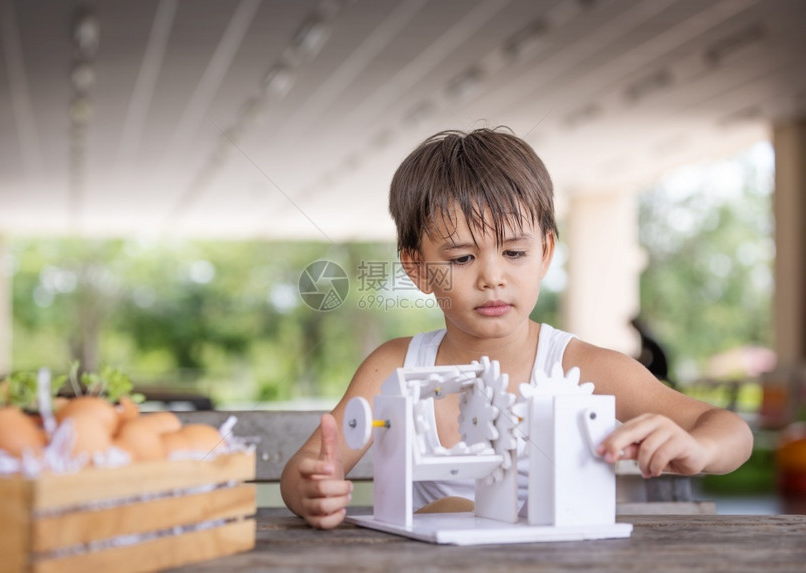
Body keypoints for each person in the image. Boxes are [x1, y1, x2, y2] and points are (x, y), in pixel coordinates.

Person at [280, 127, 753, 529]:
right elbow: (306, 472)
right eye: (462, 258)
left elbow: (731, 430)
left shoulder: (587, 369)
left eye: (514, 253)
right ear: (419, 270)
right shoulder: (394, 368)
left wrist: (700, 447)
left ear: (546, 252)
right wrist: (311, 490)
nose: (492, 278)